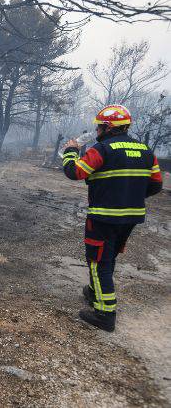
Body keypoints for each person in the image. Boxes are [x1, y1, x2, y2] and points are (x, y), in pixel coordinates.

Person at [61, 105, 163, 332]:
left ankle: (105, 314)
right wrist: (130, 195)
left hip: (104, 217)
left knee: (98, 261)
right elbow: (156, 185)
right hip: (131, 218)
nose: (97, 130)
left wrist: (70, 151)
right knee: (108, 257)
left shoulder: (102, 149)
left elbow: (74, 172)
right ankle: (95, 291)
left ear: (107, 127)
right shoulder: (146, 150)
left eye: (99, 126)